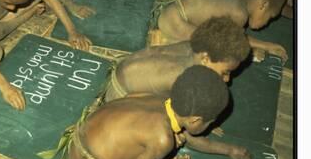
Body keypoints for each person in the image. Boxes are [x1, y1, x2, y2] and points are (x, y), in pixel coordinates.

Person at [66, 65, 252, 159]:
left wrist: (230, 150)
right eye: (211, 122)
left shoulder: (163, 99)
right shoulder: (163, 139)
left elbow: (188, 135)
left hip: (90, 132)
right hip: (85, 158)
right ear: (195, 120)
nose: (213, 125)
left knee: (158, 143)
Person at [105, 17, 250, 102]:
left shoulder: (193, 46)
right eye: (225, 72)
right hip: (119, 97)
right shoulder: (185, 78)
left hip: (123, 69)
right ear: (205, 58)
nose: (227, 80)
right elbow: (183, 120)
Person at [153, 0, 288, 61]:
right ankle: (166, 41)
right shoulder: (240, 13)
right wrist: (252, 52)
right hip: (174, 23)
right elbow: (231, 40)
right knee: (219, 52)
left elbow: (237, 34)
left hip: (171, 11)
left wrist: (267, 45)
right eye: (269, 17)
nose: (266, 23)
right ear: (263, 4)